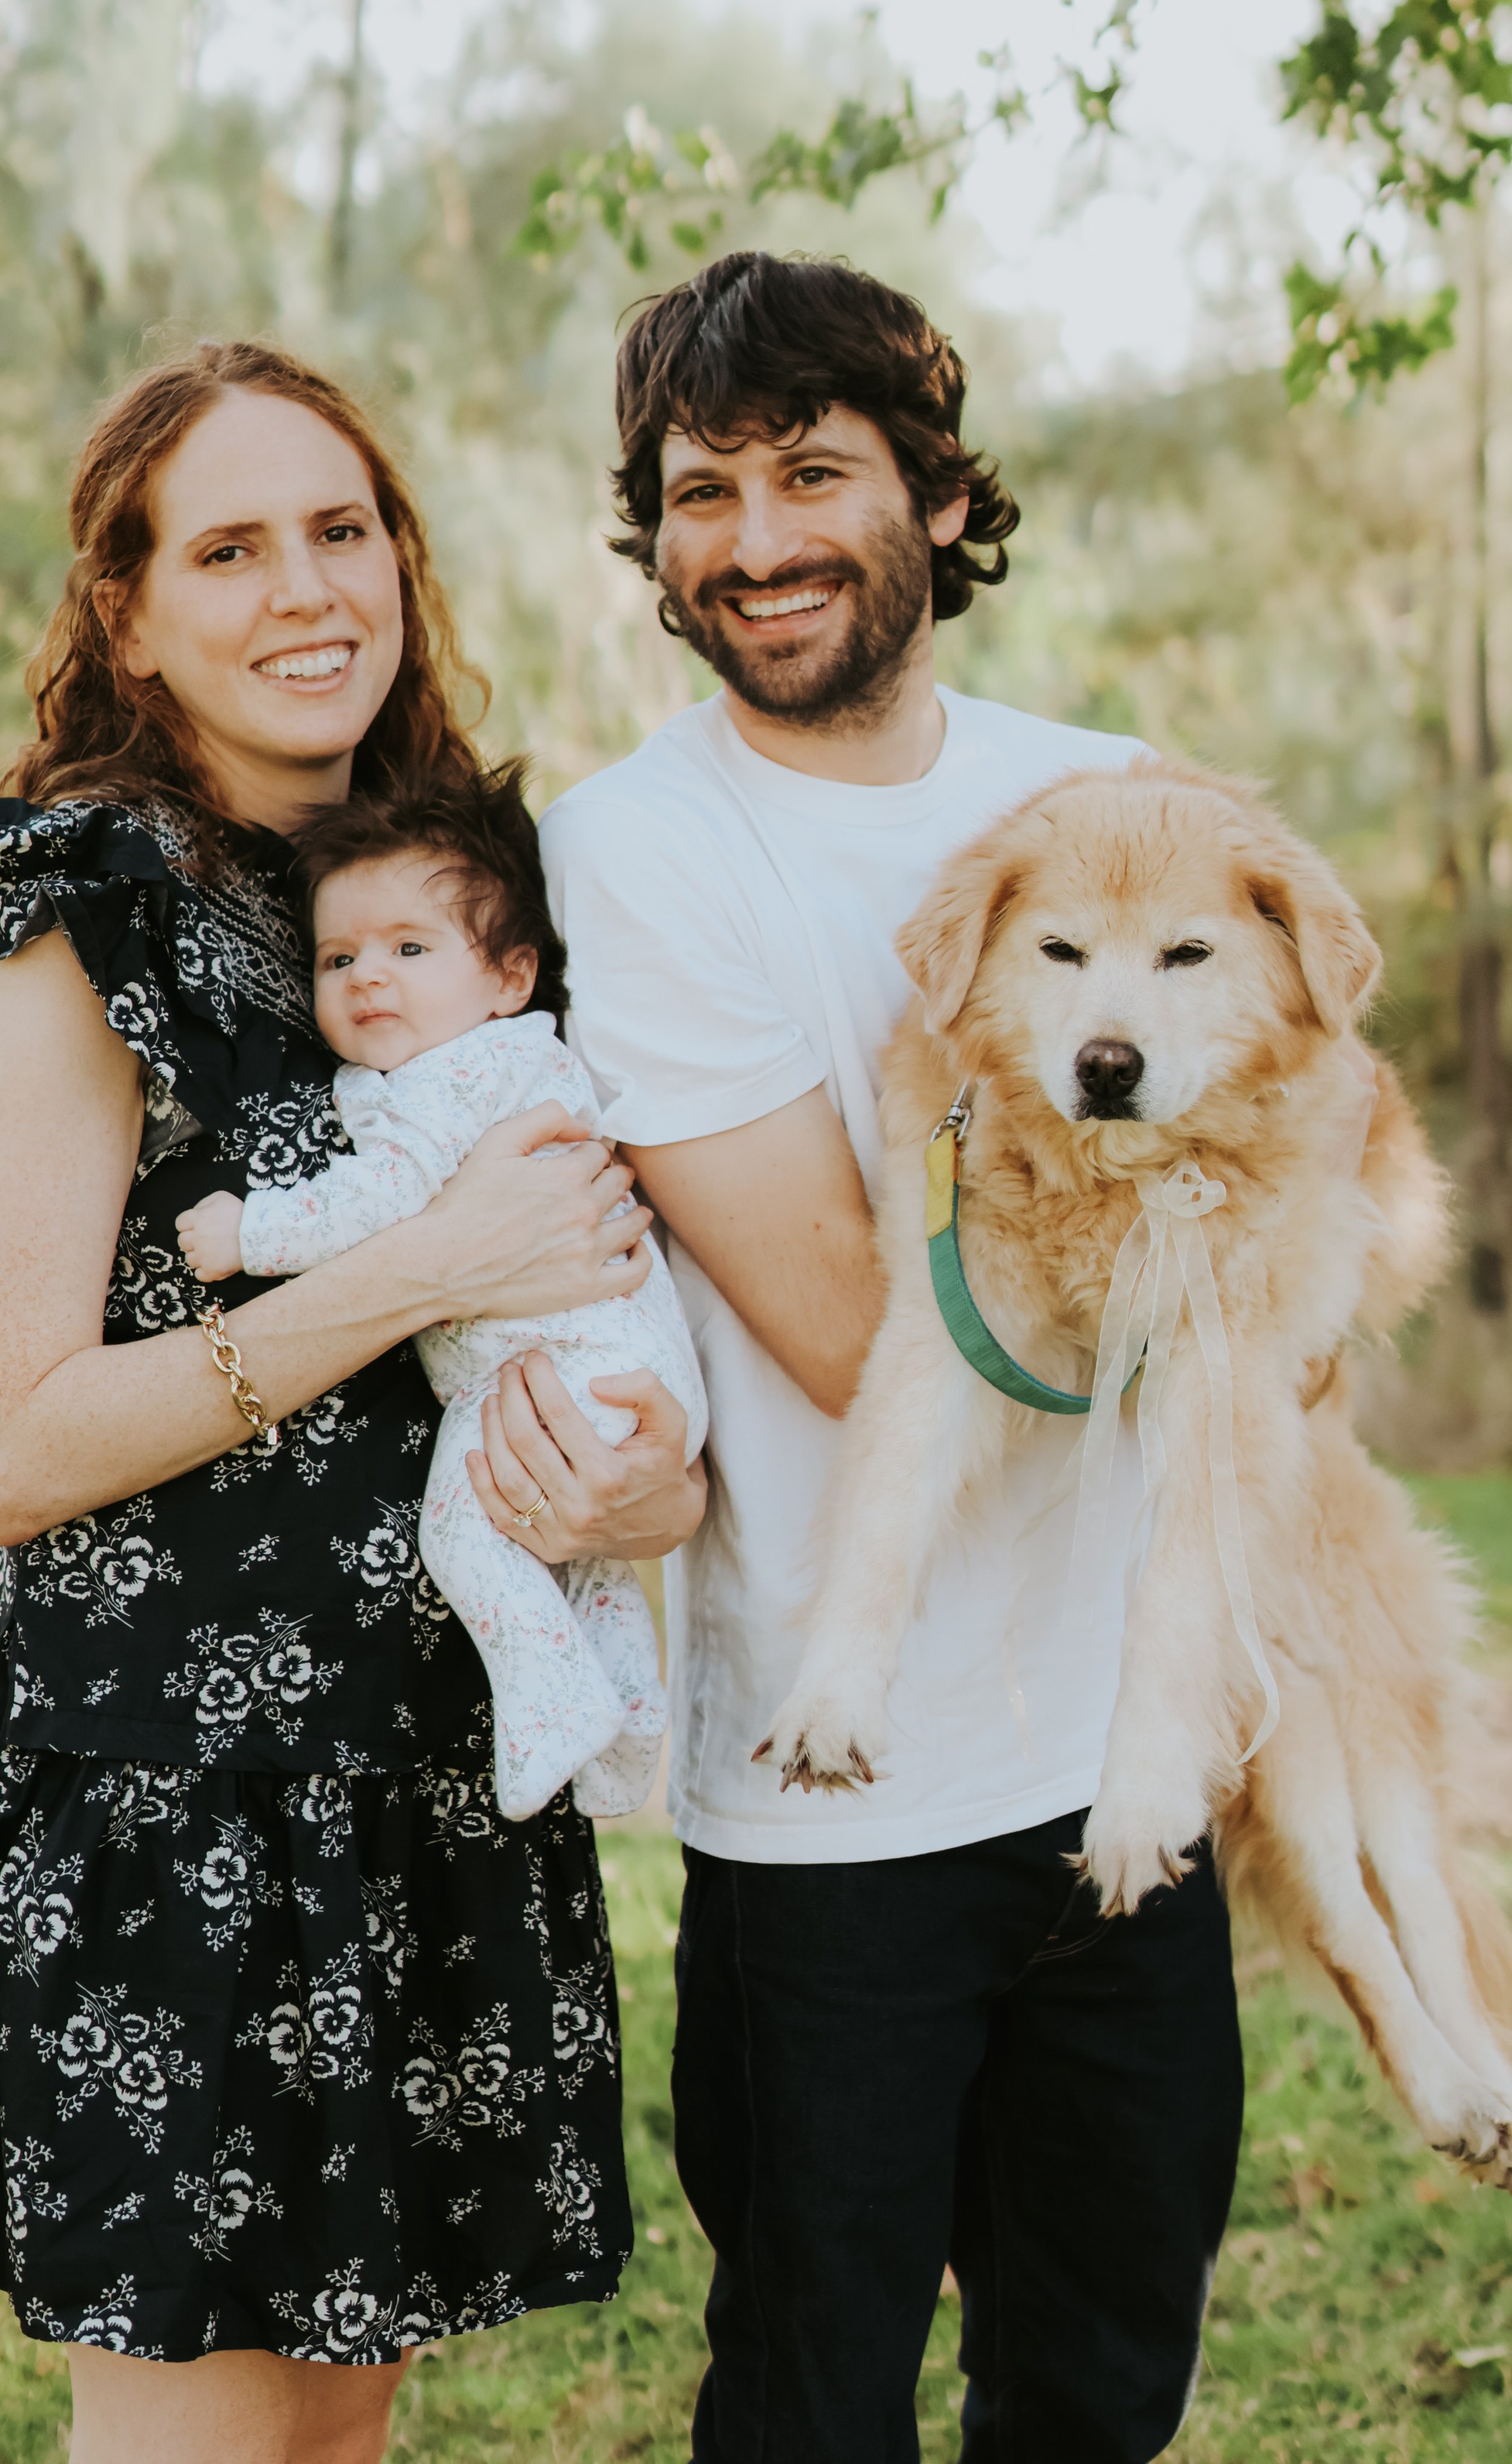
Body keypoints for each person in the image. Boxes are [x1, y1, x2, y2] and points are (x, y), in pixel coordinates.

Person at [0, 339, 704, 2464]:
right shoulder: (78, 921)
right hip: (185, 1820)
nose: (308, 588)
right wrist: (421, 1265)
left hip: (408, 1789)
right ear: (127, 613)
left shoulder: (448, 910)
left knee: (332, 2447)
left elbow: (587, 1305)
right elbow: (17, 1451)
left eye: (343, 528)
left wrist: (638, 1486)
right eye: (228, 547)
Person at [532, 252, 1244, 2463]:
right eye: (703, 490)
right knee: (817, 2403)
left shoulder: (1109, 796)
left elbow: (1286, 1178)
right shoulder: (643, 850)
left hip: (1132, 1766)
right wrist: (1197, 1281)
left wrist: (1245, 1293)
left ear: (935, 493)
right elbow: (859, 1332)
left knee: (1103, 2384)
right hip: (843, 1822)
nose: (755, 542)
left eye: (814, 471)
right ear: (652, 533)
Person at [174, 765, 706, 1822]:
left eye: (410, 949)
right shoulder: (506, 1057)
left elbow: (386, 1198)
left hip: (563, 1372)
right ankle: (628, 1708)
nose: (370, 977)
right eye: (340, 957)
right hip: (614, 1372)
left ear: (510, 976)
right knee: (576, 1557)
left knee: (467, 1536)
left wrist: (253, 1231)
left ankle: (549, 1703)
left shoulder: (457, 1078)